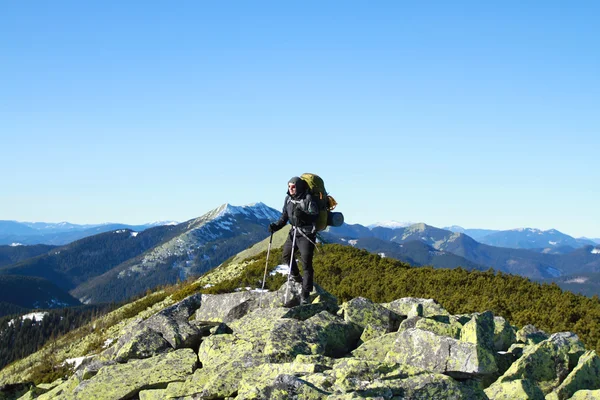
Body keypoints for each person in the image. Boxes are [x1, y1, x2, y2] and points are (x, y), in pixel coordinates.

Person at [269, 176, 319, 304]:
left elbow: (315, 216)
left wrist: (303, 215)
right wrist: (276, 226)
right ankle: (297, 277)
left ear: (299, 186)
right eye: (289, 186)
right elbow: (284, 217)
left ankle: (305, 294)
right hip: (293, 232)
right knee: (286, 255)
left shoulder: (308, 199)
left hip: (306, 234)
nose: (291, 189)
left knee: (306, 263)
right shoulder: (288, 199)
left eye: (293, 186)